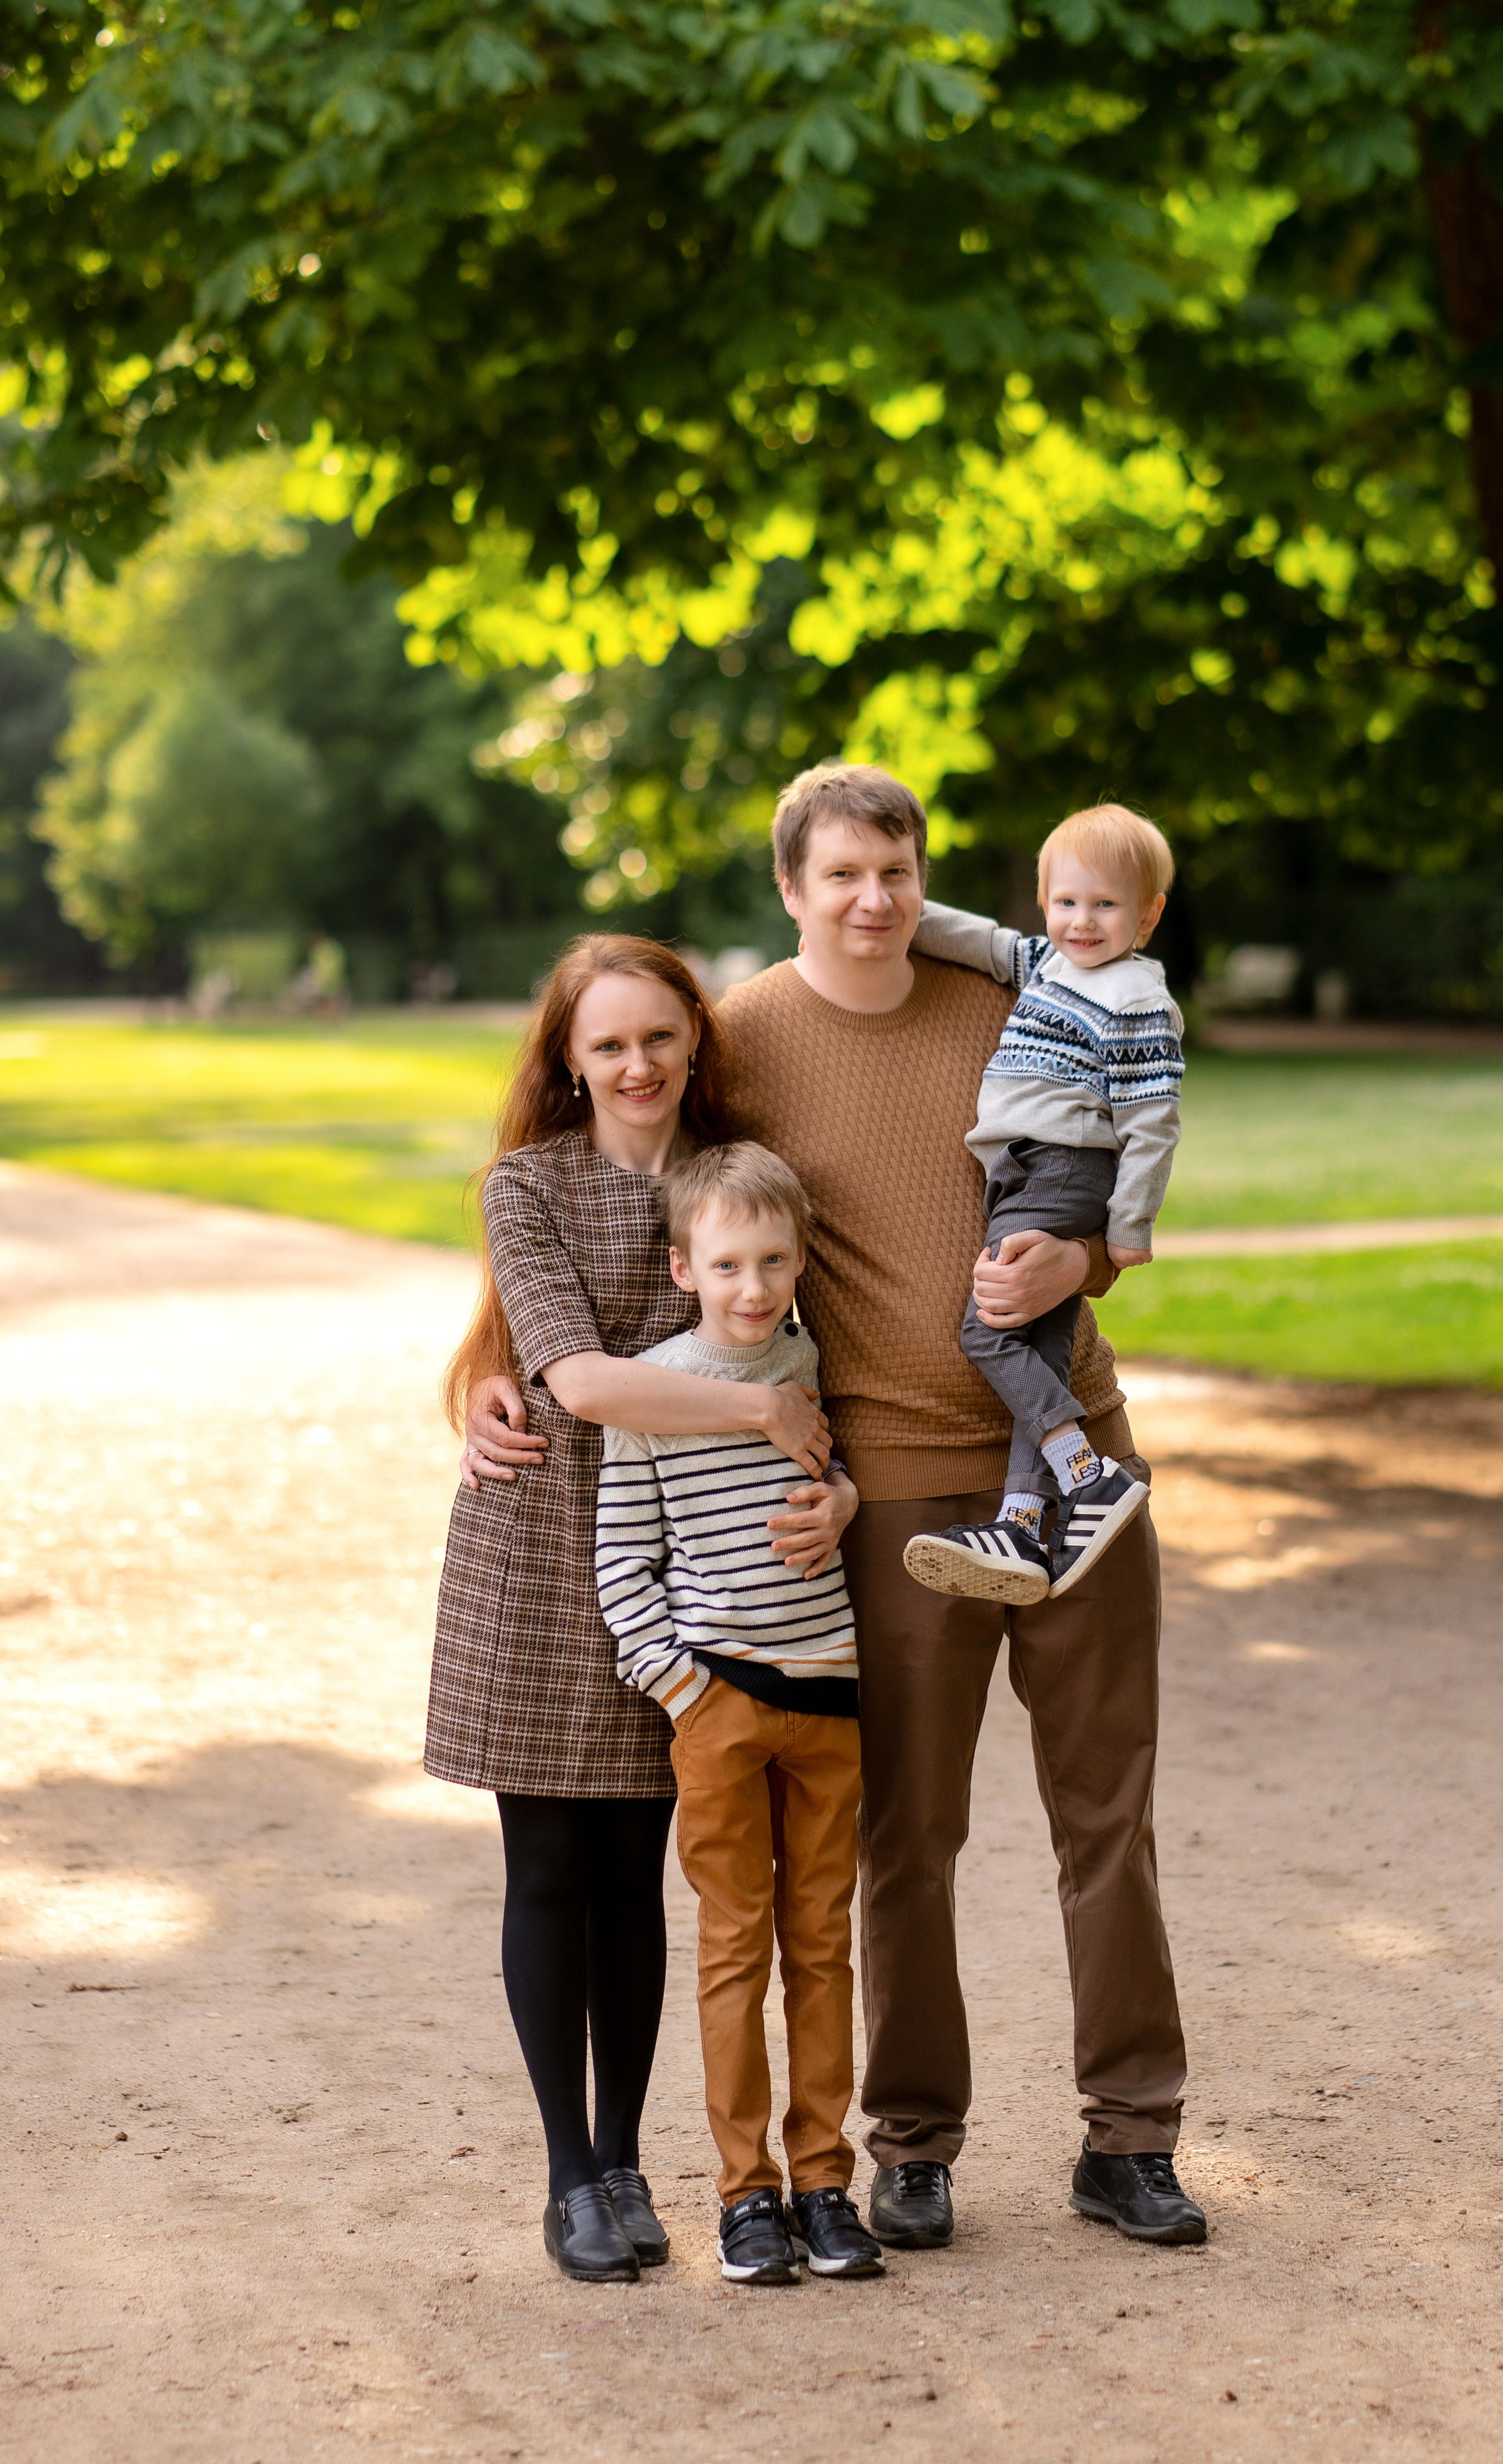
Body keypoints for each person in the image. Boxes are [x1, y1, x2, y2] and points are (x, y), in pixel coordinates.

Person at [467, 765, 1206, 2255]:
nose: (872, 899)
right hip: (894, 1491)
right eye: (841, 874)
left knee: (1105, 1817)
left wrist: (1090, 1266)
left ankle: (1128, 2138)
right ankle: (912, 2146)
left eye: (895, 870)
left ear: (920, 875)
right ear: (791, 886)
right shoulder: (736, 1043)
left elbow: (1110, 1156)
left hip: (1072, 1463)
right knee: (903, 1841)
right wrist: (487, 1363)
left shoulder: (1012, 998)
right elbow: (646, 1220)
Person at [425, 936, 856, 2286]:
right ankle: (569, 2174)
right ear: (568, 1057)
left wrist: (830, 1484)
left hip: (704, 1575)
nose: (636, 1064)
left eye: (659, 1037)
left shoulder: (735, 1178)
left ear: (693, 1042)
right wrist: (754, 1412)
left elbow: (807, 1355)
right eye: (607, 1043)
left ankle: (626, 2158)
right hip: (546, 1551)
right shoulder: (525, 1185)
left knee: (636, 1877)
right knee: (549, 1869)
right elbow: (579, 1382)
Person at [595, 1141, 882, 2287]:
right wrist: (685, 1689)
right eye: (728, 1265)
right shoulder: (652, 1393)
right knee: (733, 1952)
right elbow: (625, 1564)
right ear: (684, 1269)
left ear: (803, 1260)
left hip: (833, 1701)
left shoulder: (815, 1361)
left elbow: (848, 1475)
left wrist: (850, 1498)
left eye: (773, 1261)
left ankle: (824, 2184)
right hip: (719, 1703)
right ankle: (745, 2196)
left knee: (823, 1949)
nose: (753, 1288)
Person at [902, 803, 1185, 1605]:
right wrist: (895, 909)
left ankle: (1086, 1473)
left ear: (1147, 914)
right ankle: (1023, 1525)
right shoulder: (1048, 965)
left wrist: (1128, 1229)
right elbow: (980, 941)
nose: (1081, 921)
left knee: (986, 1328)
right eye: (1065, 902)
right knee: (1039, 1344)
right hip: (1026, 1174)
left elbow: (1152, 1124)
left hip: (1060, 1172)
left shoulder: (1136, 1000)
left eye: (1105, 905)